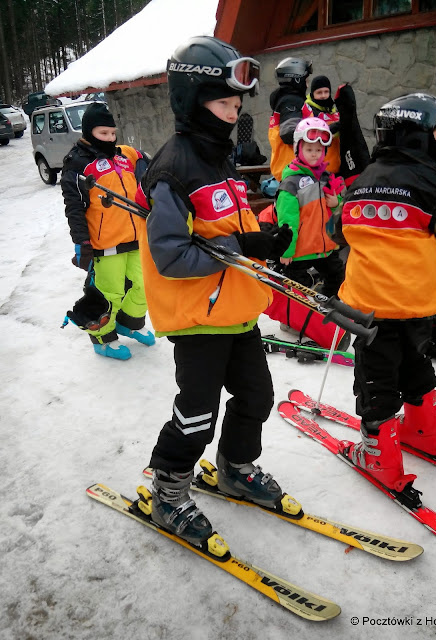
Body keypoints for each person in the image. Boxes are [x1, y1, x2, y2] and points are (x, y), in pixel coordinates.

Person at [136, 36, 293, 546]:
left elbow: (230, 225)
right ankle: (168, 490)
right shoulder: (173, 169)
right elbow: (171, 255)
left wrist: (263, 235)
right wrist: (242, 243)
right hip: (199, 320)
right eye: (226, 103)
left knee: (256, 397)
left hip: (238, 312)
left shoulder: (218, 157)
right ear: (195, 99)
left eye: (237, 104)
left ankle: (235, 468)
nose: (234, 113)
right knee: (197, 413)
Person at [327, 93, 436, 494]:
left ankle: (379, 454)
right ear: (418, 138)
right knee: (415, 366)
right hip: (418, 307)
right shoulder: (434, 187)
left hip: (368, 311)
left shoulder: (359, 183)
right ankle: (424, 434)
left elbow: (333, 230)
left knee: (376, 382)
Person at [61, 102, 155, 360]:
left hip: (135, 237)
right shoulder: (77, 164)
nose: (110, 139)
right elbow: (74, 209)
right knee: (109, 294)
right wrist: (82, 244)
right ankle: (102, 338)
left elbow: (145, 158)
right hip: (105, 243)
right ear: (89, 132)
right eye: (104, 134)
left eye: (113, 133)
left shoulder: (122, 156)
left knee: (143, 285)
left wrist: (147, 166)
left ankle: (129, 323)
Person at [277, 117, 345, 297]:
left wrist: (337, 203)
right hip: (300, 251)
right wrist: (286, 249)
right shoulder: (292, 182)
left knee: (338, 277)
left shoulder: (327, 177)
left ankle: (330, 310)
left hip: (326, 247)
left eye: (318, 150)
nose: (314, 154)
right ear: (298, 149)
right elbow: (287, 219)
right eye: (309, 149)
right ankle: (295, 320)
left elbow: (340, 210)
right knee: (298, 290)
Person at [268, 57, 312, 183]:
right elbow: (289, 134)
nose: (307, 84)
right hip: (293, 171)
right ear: (297, 79)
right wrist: (318, 133)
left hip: (292, 169)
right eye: (305, 80)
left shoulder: (289, 99)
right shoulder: (291, 101)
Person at [303, 75, 341, 174]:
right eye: (319, 92)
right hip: (317, 170)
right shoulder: (309, 111)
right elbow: (311, 136)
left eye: (326, 92)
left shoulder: (334, 111)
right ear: (313, 94)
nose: (323, 96)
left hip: (336, 167)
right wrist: (331, 129)